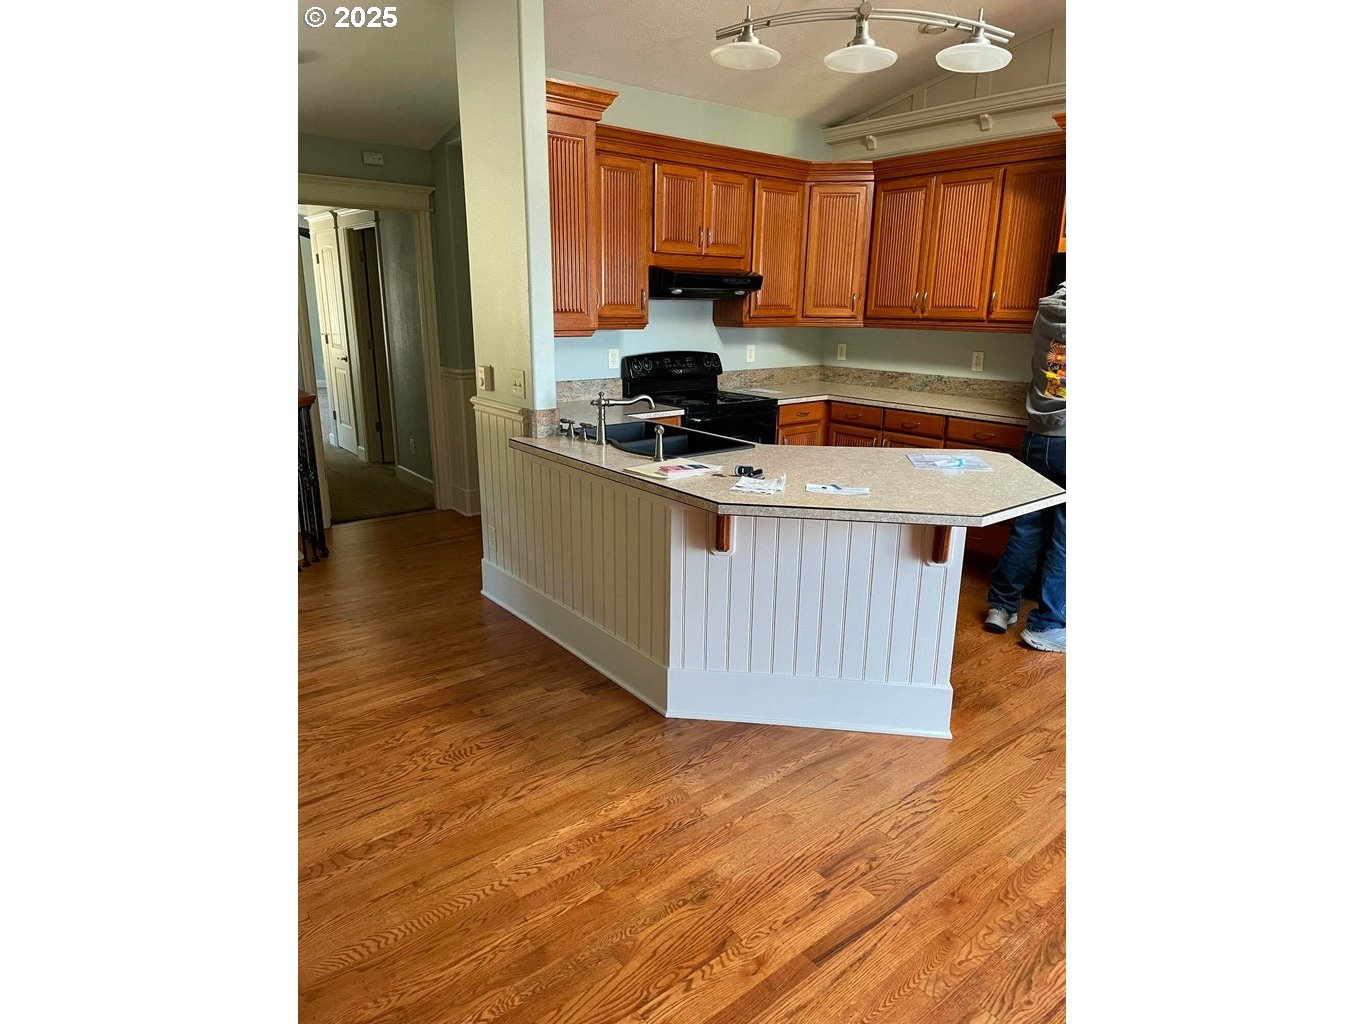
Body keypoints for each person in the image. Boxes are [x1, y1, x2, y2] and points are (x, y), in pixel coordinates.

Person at [984, 282, 1066, 652]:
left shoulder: (1047, 311)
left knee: (1028, 525)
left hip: (1038, 437)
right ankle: (1048, 627)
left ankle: (1001, 606)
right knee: (1067, 539)